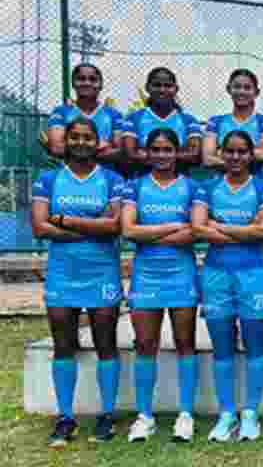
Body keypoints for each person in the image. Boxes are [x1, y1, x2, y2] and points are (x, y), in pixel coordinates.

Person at [32, 117, 124, 446]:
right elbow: (39, 228)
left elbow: (115, 226)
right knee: (63, 345)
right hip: (62, 274)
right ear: (66, 142)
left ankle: (107, 415)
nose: (82, 142)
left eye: (88, 137)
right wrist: (90, 226)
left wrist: (65, 221)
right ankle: (65, 417)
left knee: (106, 344)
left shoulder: (112, 179)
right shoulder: (48, 179)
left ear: (97, 142)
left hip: (102, 272)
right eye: (75, 137)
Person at [191, 130, 263, 442]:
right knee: (222, 347)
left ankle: (250, 413)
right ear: (222, 154)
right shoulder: (207, 187)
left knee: (255, 344)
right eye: (231, 152)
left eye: (243, 152)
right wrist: (245, 229)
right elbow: (199, 228)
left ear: (251, 155)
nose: (237, 158)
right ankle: (227, 414)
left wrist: (219, 227)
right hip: (216, 275)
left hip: (253, 274)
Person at [121, 128, 200, 443]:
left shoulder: (192, 186)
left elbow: (194, 231)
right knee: (144, 345)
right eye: (156, 149)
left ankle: (185, 414)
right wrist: (170, 226)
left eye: (168, 149)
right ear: (147, 152)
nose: (162, 155)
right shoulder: (135, 186)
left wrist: (148, 231)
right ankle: (144, 416)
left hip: (181, 273)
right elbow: (128, 230)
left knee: (185, 344)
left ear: (177, 152)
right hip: (146, 275)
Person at [121, 67, 203, 176]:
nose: (162, 90)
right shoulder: (133, 119)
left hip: (179, 181)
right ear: (147, 88)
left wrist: (146, 152)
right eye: (157, 85)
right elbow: (130, 154)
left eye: (168, 86)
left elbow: (193, 154)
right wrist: (178, 152)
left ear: (176, 89)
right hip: (142, 179)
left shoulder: (189, 121)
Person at [43, 63, 124, 170]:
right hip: (68, 175)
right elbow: (57, 148)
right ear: (73, 83)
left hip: (104, 177)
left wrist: (74, 149)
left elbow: (120, 151)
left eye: (93, 79)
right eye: (81, 79)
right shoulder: (60, 112)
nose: (87, 83)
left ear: (101, 85)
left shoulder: (114, 115)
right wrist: (100, 147)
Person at [202, 69, 263, 175]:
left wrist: (220, 152)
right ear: (228, 89)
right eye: (237, 87)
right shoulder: (215, 122)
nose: (241, 91)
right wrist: (251, 153)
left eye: (247, 88)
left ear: (256, 92)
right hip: (221, 184)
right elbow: (207, 159)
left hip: (257, 184)